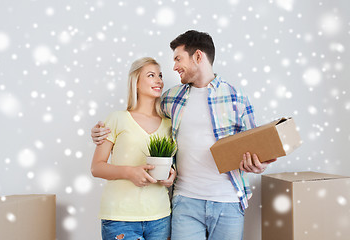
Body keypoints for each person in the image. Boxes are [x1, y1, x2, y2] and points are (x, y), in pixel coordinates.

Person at [91, 31, 276, 240]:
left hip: (228, 200)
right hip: (185, 202)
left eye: (178, 58)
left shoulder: (237, 97)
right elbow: (138, 117)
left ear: (198, 56)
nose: (174, 67)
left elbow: (256, 146)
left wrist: (258, 165)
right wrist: (100, 132)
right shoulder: (171, 98)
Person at [91, 57, 175, 240]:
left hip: (160, 217)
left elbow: (174, 163)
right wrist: (130, 172)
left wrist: (172, 175)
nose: (159, 80)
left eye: (160, 75)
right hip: (120, 219)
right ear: (136, 82)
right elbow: (97, 167)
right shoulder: (116, 118)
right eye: (151, 75)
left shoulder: (170, 124)